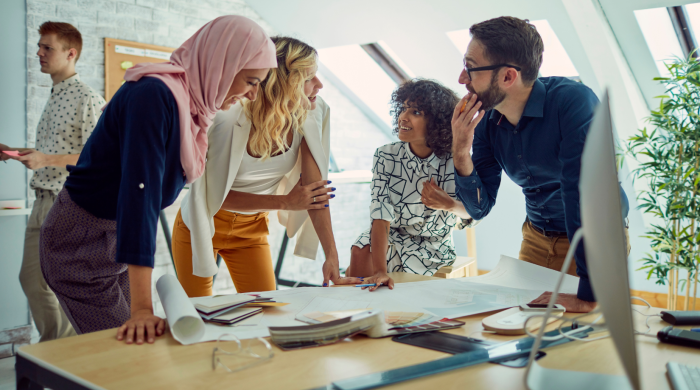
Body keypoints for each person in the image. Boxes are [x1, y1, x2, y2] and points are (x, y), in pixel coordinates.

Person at [38, 16, 277, 345]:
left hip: (113, 240)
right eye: (251, 81)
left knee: (131, 351)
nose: (252, 94)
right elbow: (140, 197)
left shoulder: (190, 106)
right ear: (223, 62)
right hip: (81, 243)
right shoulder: (154, 95)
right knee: (125, 355)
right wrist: (142, 309)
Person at [450, 16, 629, 312]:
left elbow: (583, 194)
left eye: (470, 67)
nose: (461, 78)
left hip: (594, 239)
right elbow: (480, 207)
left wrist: (590, 292)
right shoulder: (486, 121)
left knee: (583, 340)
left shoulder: (574, 103)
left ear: (508, 77)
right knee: (525, 328)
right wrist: (460, 152)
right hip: (535, 239)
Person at [173, 37, 360, 296]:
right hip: (202, 221)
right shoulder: (227, 117)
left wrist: (332, 257)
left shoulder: (311, 112)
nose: (319, 85)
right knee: (197, 313)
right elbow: (211, 197)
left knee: (267, 310)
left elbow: (314, 192)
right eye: (309, 78)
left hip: (252, 229)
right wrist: (284, 202)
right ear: (286, 82)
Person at [0, 22, 105, 342]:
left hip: (65, 203)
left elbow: (97, 157)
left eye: (48, 48)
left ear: (71, 54)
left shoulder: (86, 97)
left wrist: (45, 159)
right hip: (42, 201)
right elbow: (60, 151)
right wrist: (22, 153)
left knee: (42, 282)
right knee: (36, 281)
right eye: (40, 46)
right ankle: (66, 355)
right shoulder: (55, 94)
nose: (39, 53)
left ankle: (57, 356)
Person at [346, 79, 478, 291]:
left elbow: (474, 213)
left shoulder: (455, 159)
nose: (403, 117)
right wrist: (380, 270)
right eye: (404, 109)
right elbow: (380, 215)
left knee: (384, 276)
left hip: (433, 245)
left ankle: (401, 316)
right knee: (361, 251)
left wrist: (448, 205)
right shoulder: (386, 155)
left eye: (416, 112)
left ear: (436, 121)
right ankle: (363, 314)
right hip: (394, 234)